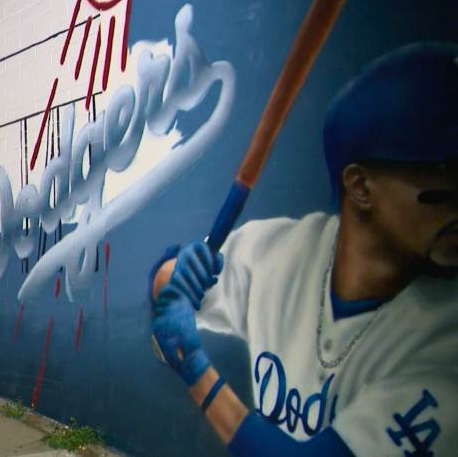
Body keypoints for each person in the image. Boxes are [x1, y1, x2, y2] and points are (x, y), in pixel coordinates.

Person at [149, 42, 458, 456]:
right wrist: (178, 271)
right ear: (360, 186)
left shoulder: (445, 339)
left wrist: (195, 370)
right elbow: (168, 285)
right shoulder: (282, 250)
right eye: (447, 171)